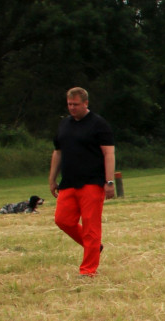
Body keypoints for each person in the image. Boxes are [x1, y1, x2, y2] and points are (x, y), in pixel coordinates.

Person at [50, 87, 115, 277]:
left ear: (86, 103)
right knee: (62, 220)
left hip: (92, 183)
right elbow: (58, 152)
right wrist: (52, 178)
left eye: (76, 104)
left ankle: (88, 271)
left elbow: (109, 153)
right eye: (69, 104)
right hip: (68, 182)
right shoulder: (64, 124)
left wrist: (109, 181)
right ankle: (94, 247)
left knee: (90, 227)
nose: (72, 108)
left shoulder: (98, 124)